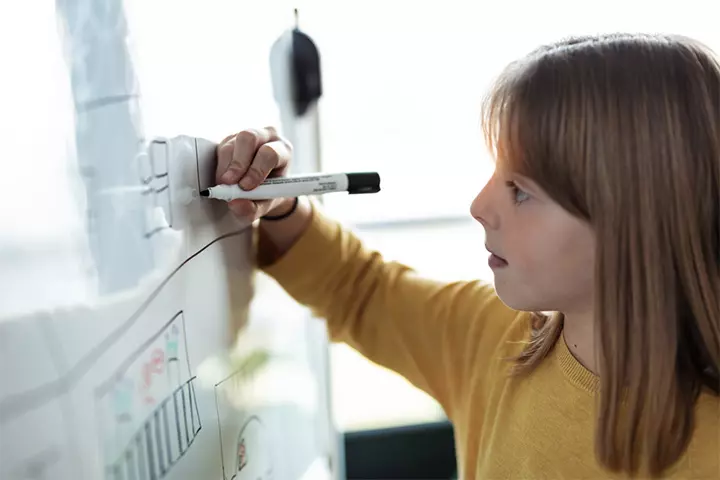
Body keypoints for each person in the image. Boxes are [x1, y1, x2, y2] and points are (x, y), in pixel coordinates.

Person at [215, 33, 719, 479]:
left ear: (633, 220)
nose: (479, 206)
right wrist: (278, 202)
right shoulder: (493, 338)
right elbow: (359, 290)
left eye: (520, 190)